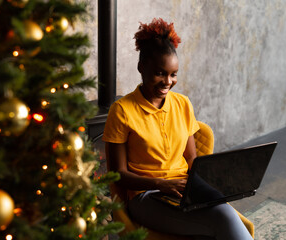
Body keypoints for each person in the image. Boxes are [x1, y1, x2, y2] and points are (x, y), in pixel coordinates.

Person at [102, 18, 253, 240]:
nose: (168, 82)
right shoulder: (122, 110)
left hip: (184, 190)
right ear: (141, 67)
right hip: (146, 196)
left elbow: (192, 158)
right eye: (160, 73)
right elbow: (118, 175)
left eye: (173, 74)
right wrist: (160, 184)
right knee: (222, 221)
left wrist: (208, 185)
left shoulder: (182, 104)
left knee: (224, 215)